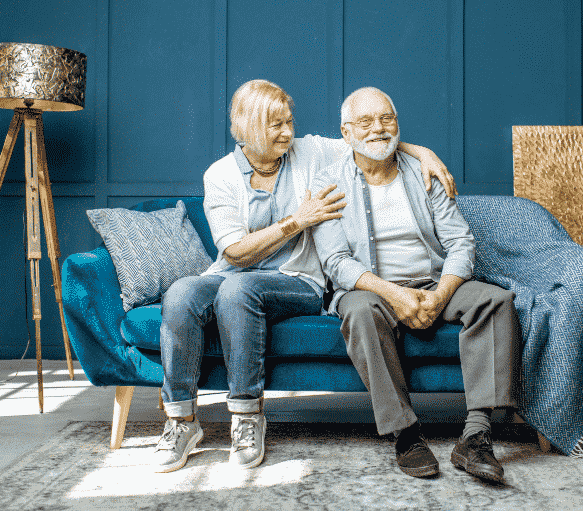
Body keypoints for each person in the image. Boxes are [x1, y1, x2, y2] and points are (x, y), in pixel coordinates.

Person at [153, 79, 456, 473]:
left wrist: (424, 153)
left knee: (237, 292)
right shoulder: (220, 175)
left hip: (297, 280)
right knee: (180, 293)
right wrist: (298, 220)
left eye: (289, 121)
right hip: (235, 271)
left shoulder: (308, 151)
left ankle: (246, 416)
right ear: (246, 129)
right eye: (275, 125)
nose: (287, 132)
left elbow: (369, 139)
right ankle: (180, 421)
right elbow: (234, 252)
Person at [310, 86, 520, 483]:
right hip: (372, 290)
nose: (378, 129)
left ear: (398, 124)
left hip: (433, 281)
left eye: (386, 118)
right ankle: (406, 435)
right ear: (346, 132)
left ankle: (476, 436)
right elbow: (337, 263)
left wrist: (440, 295)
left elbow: (461, 242)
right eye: (366, 122)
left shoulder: (425, 172)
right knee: (358, 310)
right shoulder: (328, 183)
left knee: (495, 300)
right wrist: (395, 294)